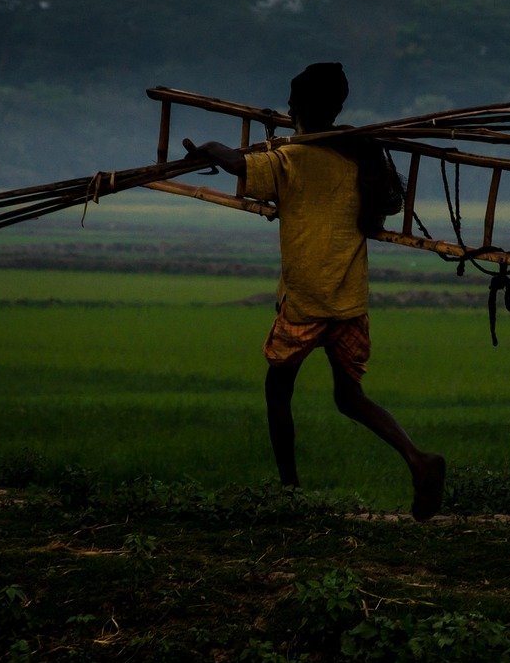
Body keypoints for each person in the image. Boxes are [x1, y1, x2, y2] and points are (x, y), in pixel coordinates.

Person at [182, 63, 446, 521]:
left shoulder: (292, 159)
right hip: (348, 303)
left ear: (301, 108)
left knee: (277, 394)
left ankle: (290, 492)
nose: (286, 108)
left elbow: (235, 162)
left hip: (305, 303)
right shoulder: (359, 158)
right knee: (350, 398)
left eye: (291, 101)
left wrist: (206, 147)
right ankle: (417, 460)